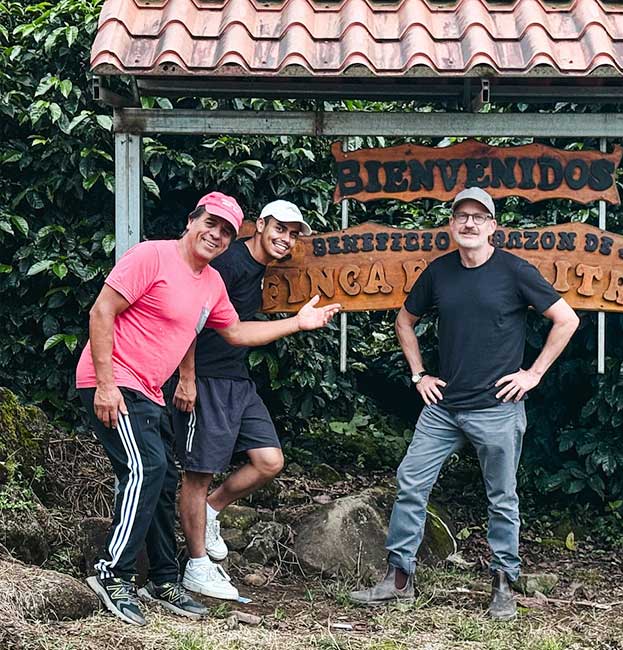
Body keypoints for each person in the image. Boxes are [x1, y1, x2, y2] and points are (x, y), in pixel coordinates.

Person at [76, 192, 340, 626]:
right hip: (111, 379)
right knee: (146, 469)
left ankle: (162, 579)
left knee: (160, 480)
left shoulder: (211, 283)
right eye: (211, 224)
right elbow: (102, 310)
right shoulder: (152, 256)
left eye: (226, 231)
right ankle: (113, 572)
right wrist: (106, 385)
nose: (216, 235)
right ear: (192, 219)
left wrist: (297, 323)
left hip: (148, 388)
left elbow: (234, 332)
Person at [348, 187, 579, 620]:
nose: (469, 223)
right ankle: (399, 580)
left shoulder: (514, 271)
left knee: (501, 497)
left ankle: (504, 586)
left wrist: (533, 375)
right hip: (443, 407)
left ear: (493, 226)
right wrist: (419, 375)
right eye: (461, 216)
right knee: (411, 482)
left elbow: (567, 319)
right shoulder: (439, 272)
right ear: (451, 224)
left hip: (497, 408)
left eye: (479, 217)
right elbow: (404, 320)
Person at [165, 200, 313, 601]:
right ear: (260, 225)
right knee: (199, 472)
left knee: (269, 461)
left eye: (293, 234)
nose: (286, 239)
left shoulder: (260, 269)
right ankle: (197, 567)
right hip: (206, 378)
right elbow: (188, 320)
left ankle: (211, 512)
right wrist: (187, 377)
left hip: (237, 379)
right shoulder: (226, 263)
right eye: (279, 229)